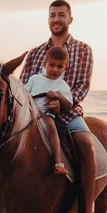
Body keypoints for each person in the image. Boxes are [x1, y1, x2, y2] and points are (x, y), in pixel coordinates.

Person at [20, 0, 96, 213]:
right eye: (52, 15)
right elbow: (22, 86)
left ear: (69, 19)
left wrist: (61, 103)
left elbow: (82, 86)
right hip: (35, 113)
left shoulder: (83, 50)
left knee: (86, 143)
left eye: (61, 15)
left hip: (68, 112)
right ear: (48, 19)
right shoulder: (34, 53)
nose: (56, 19)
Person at [25, 46, 71, 176]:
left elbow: (69, 104)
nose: (55, 70)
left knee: (51, 128)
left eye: (60, 66)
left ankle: (57, 161)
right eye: (51, 65)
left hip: (46, 114)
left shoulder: (62, 85)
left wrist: (58, 96)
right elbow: (24, 94)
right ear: (44, 64)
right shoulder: (35, 79)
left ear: (65, 68)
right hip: (30, 112)